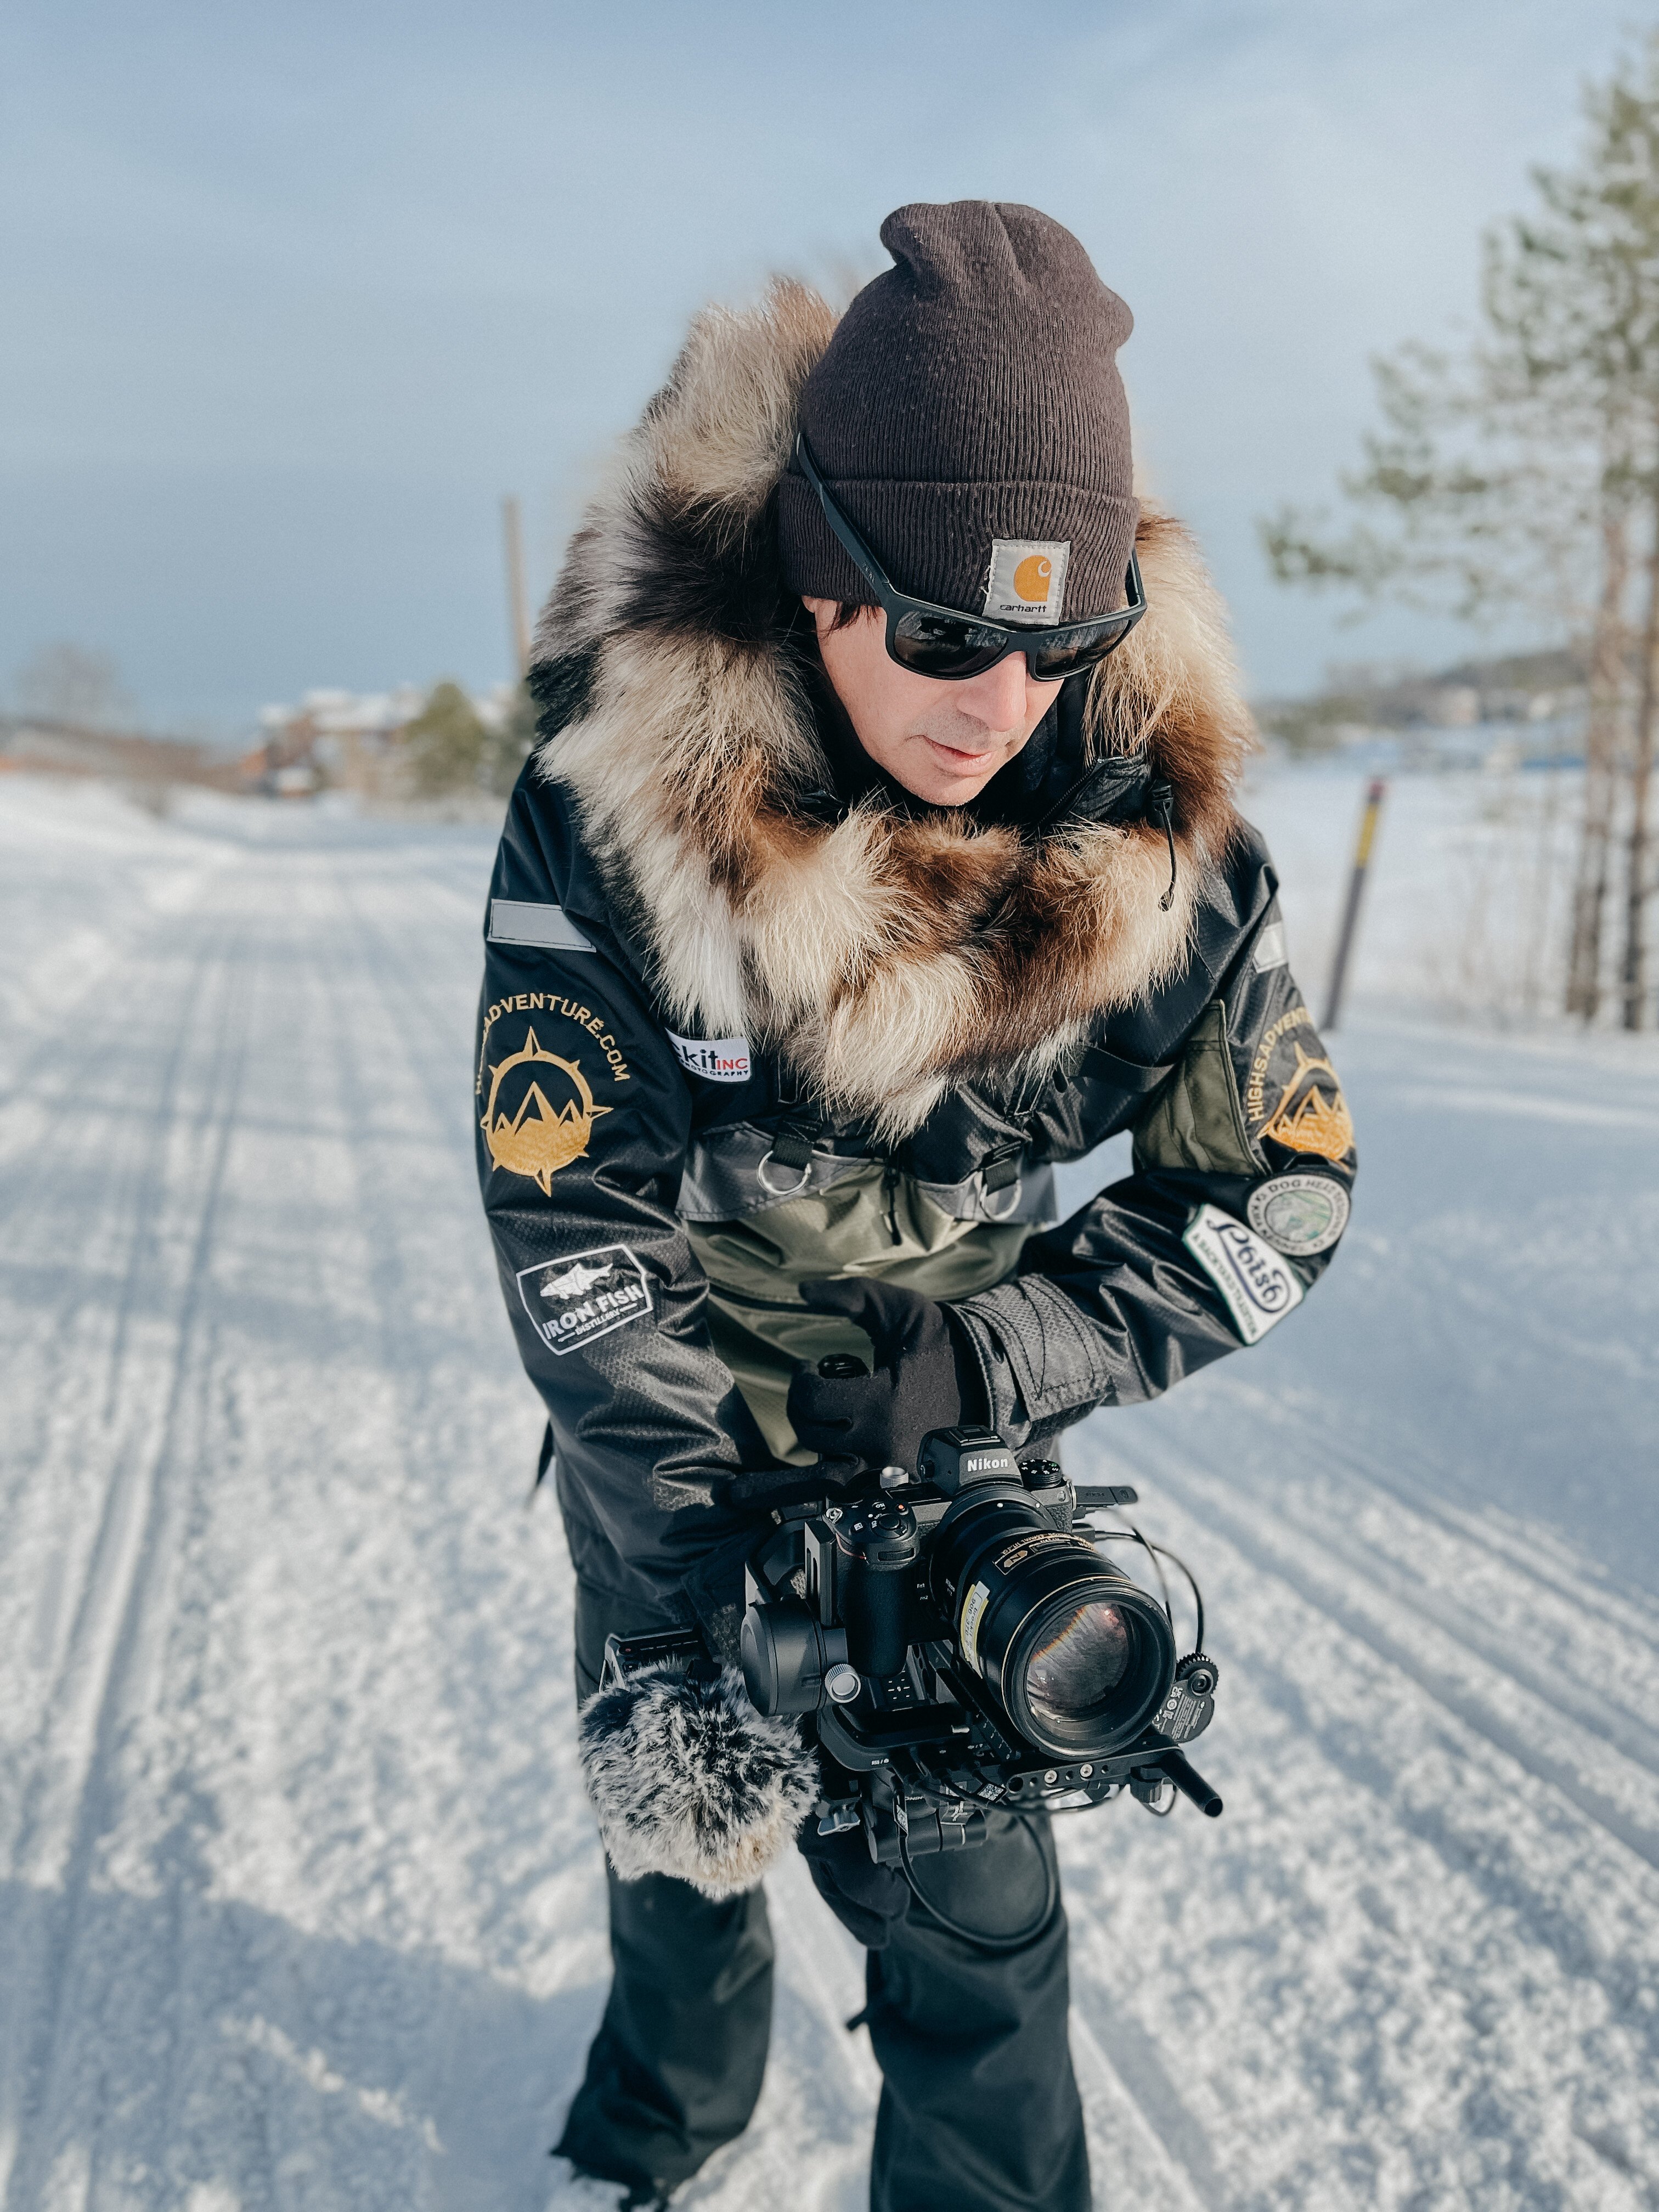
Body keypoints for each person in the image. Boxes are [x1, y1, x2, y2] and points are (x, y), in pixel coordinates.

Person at [475, 200, 1357, 2211]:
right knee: (684, 1845)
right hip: (666, 1427)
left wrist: (1006, 1348)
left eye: (1062, 638)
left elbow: (1287, 1179)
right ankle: (658, 2133)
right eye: (949, 632)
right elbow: (571, 1221)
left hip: (946, 1438)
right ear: (821, 580)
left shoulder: (1155, 838)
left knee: (979, 1923)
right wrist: (699, 1601)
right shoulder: (616, 816)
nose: (1000, 701)